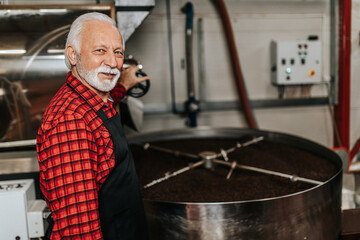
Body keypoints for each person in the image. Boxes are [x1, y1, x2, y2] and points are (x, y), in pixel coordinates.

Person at [36, 12, 150, 239]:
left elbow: (102, 104)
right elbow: (79, 231)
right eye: (100, 50)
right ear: (73, 55)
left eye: (118, 52)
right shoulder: (70, 123)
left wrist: (123, 86)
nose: (112, 62)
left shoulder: (93, 100)